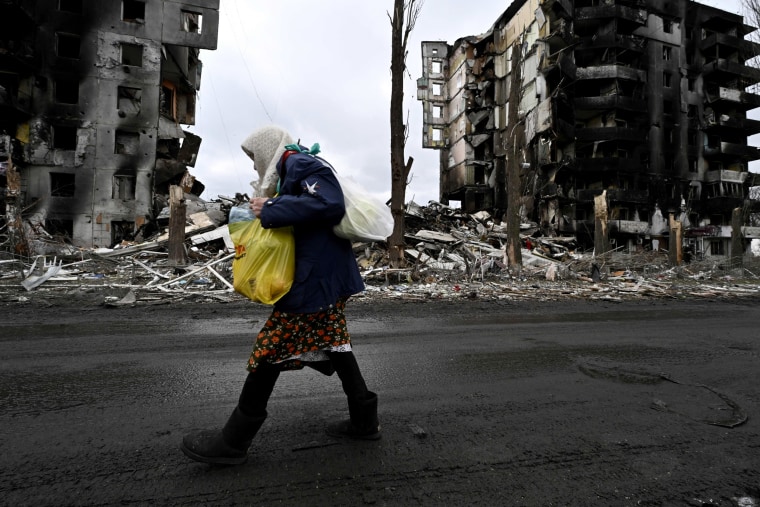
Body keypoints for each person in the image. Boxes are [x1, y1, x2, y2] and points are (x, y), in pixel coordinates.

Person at [180, 125, 380, 465]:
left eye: (254, 157)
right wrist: (276, 203)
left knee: (270, 348)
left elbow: (328, 203)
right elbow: (312, 209)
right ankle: (364, 421)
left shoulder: (298, 164)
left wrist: (270, 210)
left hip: (313, 280)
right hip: (327, 277)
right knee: (336, 342)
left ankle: (233, 441)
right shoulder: (298, 166)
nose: (255, 165)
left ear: (267, 150)